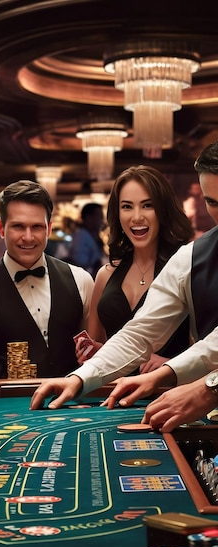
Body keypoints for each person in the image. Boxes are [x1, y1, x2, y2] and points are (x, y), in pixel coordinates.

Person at [29, 141, 218, 413]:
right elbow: (140, 333)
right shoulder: (191, 257)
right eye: (212, 202)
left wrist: (167, 372)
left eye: (147, 206)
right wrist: (80, 377)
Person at [0, 179, 94, 381]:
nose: (28, 237)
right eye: (18, 226)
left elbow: (96, 352)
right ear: (1, 228)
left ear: (49, 229)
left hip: (74, 407)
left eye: (36, 227)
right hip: (7, 410)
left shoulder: (82, 281)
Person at [77, 165, 194, 373]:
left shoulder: (186, 268)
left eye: (147, 205)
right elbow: (98, 350)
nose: (137, 217)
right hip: (113, 397)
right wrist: (95, 351)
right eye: (127, 207)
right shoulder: (105, 275)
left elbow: (209, 347)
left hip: (171, 395)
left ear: (163, 210)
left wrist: (171, 363)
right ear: (117, 213)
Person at [67, 202, 108, 277]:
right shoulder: (81, 237)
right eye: (99, 217)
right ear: (88, 218)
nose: (102, 221)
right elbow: (79, 265)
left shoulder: (92, 236)